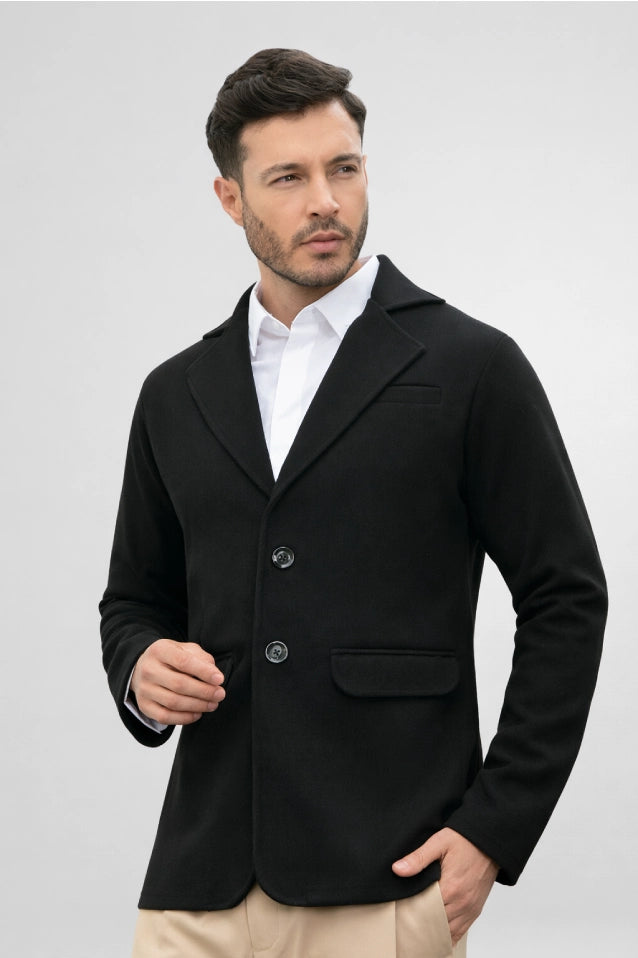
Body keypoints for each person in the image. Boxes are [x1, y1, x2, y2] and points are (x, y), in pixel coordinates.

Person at [100, 48, 607, 958]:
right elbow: (134, 600)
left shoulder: (471, 367)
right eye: (288, 178)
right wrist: (141, 669)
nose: (325, 200)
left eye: (343, 168)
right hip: (197, 885)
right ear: (230, 198)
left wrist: (496, 825)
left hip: (387, 878)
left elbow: (566, 596)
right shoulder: (175, 393)